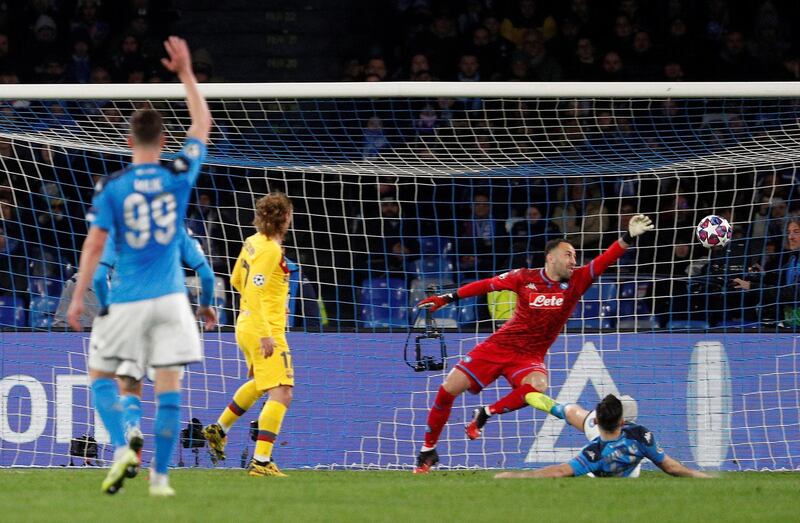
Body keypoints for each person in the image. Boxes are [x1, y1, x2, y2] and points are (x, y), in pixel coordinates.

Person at [66, 36, 212, 497]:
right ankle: (161, 479)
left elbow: (94, 247)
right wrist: (185, 72)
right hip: (171, 300)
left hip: (127, 299)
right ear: (165, 141)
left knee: (101, 379)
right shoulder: (178, 175)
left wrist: (77, 298)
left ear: (128, 141)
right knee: (169, 390)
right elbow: (203, 122)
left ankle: (123, 445)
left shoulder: (112, 187)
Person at [412, 215, 654, 473]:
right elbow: (487, 285)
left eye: (575, 256)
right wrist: (447, 298)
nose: (574, 260)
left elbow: (604, 260)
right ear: (551, 258)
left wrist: (628, 237)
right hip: (498, 346)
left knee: (537, 387)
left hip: (529, 356)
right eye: (568, 255)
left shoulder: (578, 280)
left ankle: (486, 412)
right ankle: (428, 451)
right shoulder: (523, 277)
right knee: (447, 389)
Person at [91, 228, 216, 455]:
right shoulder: (174, 227)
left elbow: (99, 278)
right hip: (169, 313)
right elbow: (207, 275)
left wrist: (107, 310)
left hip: (129, 312)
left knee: (129, 385)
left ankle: (132, 429)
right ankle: (160, 466)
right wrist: (205, 305)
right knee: (167, 394)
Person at [202, 192, 295, 478]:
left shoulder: (253, 241)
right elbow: (254, 288)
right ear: (285, 218)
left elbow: (236, 280)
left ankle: (219, 429)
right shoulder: (269, 251)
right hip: (264, 330)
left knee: (260, 384)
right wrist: (266, 331)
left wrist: (255, 310)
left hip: (246, 324)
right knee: (282, 390)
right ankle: (262, 461)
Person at [495, 394, 709, 478]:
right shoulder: (640, 435)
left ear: (598, 421)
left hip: (599, 454)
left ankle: (543, 401)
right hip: (630, 468)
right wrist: (704, 477)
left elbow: (561, 470)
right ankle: (547, 403)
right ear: (623, 421)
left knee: (570, 412)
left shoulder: (592, 453)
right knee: (574, 413)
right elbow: (671, 467)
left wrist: (517, 476)